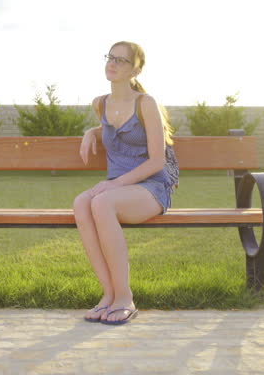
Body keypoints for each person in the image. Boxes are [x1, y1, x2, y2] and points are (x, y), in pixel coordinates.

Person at [75, 41, 177, 325]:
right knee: (81, 202)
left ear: (136, 70)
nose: (113, 63)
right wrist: (91, 132)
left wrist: (114, 184)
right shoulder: (100, 103)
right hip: (118, 188)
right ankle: (108, 295)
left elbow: (157, 161)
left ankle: (125, 298)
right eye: (111, 57)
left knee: (102, 202)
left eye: (121, 60)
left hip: (151, 187)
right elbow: (111, 129)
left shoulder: (146, 103)